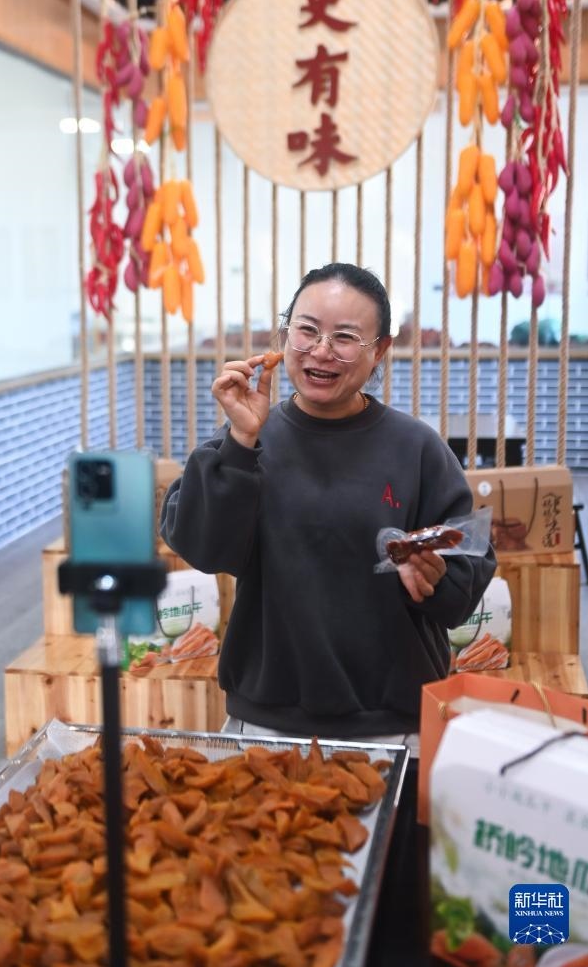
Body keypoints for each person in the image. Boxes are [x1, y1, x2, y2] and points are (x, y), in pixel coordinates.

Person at [160, 263, 496, 744]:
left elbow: (467, 567)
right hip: (265, 723)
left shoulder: (416, 449)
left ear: (380, 350)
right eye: (307, 330)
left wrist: (436, 579)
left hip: (391, 727)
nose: (321, 350)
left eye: (345, 337)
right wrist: (240, 440)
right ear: (285, 335)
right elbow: (202, 547)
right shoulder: (247, 438)